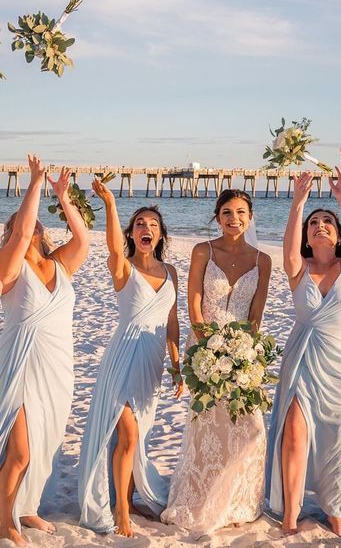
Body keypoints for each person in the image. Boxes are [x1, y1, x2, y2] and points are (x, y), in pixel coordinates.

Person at [161, 189, 272, 534]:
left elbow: (256, 314)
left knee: (248, 427)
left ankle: (237, 500)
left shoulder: (262, 260)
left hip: (243, 351)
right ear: (217, 216)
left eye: (240, 212)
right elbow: (194, 301)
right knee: (207, 427)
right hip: (205, 348)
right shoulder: (202, 251)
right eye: (226, 211)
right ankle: (198, 498)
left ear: (250, 217)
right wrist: (208, 346)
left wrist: (244, 351)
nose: (233, 218)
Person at [266, 158, 341, 537]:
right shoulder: (299, 268)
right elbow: (288, 252)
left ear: (337, 233)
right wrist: (297, 204)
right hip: (303, 361)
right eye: (313, 223)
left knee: (337, 439)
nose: (319, 226)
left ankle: (333, 509)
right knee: (294, 432)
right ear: (306, 236)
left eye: (326, 222)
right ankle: (291, 514)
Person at [78, 179, 182, 537]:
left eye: (152, 225)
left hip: (152, 361)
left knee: (140, 434)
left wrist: (177, 365)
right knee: (126, 434)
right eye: (140, 224)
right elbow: (112, 246)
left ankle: (130, 495)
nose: (146, 228)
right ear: (131, 233)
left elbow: (172, 321)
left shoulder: (172, 274)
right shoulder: (122, 267)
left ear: (161, 234)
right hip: (123, 356)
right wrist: (109, 203)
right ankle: (121, 509)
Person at [0, 157, 89, 546]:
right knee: (18, 451)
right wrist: (34, 183)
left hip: (58, 366)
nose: (26, 225)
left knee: (44, 444)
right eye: (18, 223)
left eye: (33, 221)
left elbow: (84, 239)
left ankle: (26, 506)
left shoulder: (60, 264)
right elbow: (20, 237)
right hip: (21, 362)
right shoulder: (8, 266)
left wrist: (63, 197)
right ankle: (5, 521)